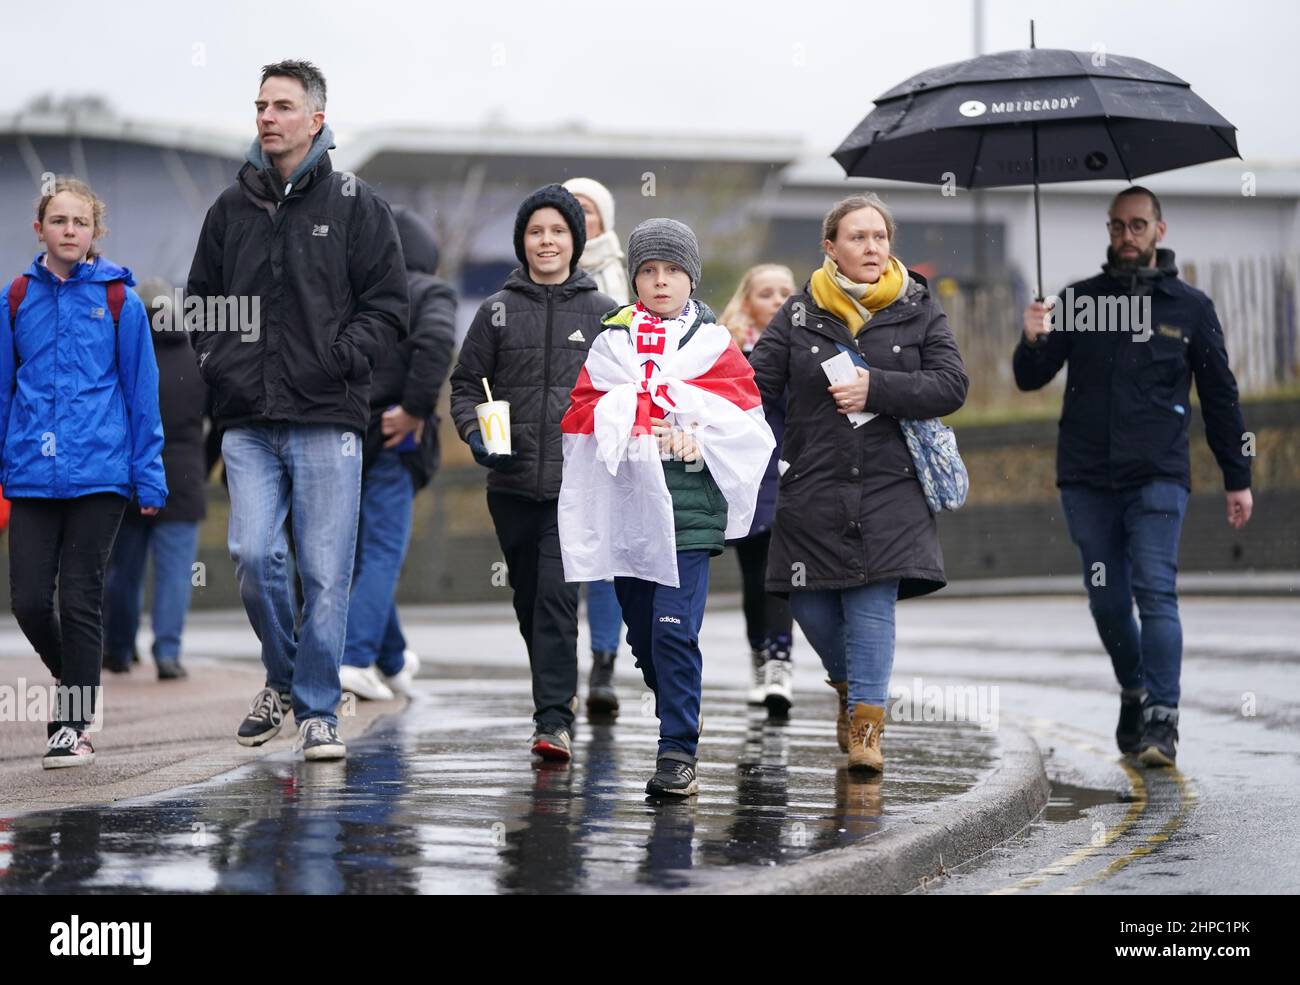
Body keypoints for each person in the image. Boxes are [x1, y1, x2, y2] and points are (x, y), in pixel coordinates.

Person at [185, 59, 408, 761]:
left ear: (316, 119)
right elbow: (199, 303)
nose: (266, 117)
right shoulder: (229, 209)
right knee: (254, 555)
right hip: (247, 419)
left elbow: (389, 307)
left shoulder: (355, 203)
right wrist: (222, 359)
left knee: (323, 570)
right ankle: (284, 678)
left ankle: (317, 711)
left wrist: (341, 355)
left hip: (327, 417)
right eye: (259, 105)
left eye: (281, 106)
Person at [1014, 185, 1253, 767]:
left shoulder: (1190, 307)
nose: (1126, 236)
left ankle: (1162, 723)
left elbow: (1220, 395)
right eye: (1118, 226)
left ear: (1159, 232)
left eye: (1137, 225)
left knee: (1156, 591)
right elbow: (1030, 377)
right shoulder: (1078, 300)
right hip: (1086, 478)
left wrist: (1236, 475)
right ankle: (1134, 687)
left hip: (1158, 476)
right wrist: (1031, 335)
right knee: (1107, 598)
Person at [749, 194, 969, 773]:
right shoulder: (797, 314)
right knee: (810, 604)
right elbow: (754, 388)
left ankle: (869, 728)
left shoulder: (919, 307)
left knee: (873, 601)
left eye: (880, 236)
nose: (872, 248)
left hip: (891, 482)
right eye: (858, 237)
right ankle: (849, 690)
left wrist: (879, 388)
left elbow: (951, 385)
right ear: (831, 248)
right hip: (812, 481)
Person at [559, 218, 775, 797]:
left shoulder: (714, 346)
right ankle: (678, 704)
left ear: (691, 278)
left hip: (689, 513)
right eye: (649, 271)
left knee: (674, 629)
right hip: (628, 512)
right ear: (634, 280)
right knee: (643, 635)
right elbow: (580, 417)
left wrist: (697, 433)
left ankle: (677, 749)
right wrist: (636, 419)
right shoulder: (611, 344)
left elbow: (747, 422)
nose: (660, 281)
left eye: (673, 270)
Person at [2, 177, 167, 768]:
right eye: (58, 221)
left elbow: (141, 394)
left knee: (80, 599)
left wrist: (149, 476)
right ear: (39, 229)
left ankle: (72, 723)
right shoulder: (15, 297)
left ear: (95, 232)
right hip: (29, 473)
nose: (69, 231)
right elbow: (2, 391)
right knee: (26, 601)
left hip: (101, 474)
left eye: (80, 222)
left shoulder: (120, 300)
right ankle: (78, 682)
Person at [449, 184, 614, 762]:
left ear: (576, 240)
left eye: (558, 231)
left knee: (555, 600)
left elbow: (623, 394)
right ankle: (553, 694)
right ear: (523, 241)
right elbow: (466, 385)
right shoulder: (497, 310)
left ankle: (553, 721)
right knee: (529, 598)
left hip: (576, 489)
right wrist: (475, 434)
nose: (547, 241)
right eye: (536, 231)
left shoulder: (600, 313)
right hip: (511, 484)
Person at [340, 207, 457, 701]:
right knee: (383, 551)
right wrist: (413, 407)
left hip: (346, 435)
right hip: (392, 440)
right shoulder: (430, 291)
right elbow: (436, 342)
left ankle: (390, 658)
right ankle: (354, 658)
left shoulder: (357, 293)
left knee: (363, 554)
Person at [103, 280, 208, 681]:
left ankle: (118, 648)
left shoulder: (124, 358)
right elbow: (214, 422)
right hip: (184, 480)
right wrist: (202, 460)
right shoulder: (198, 358)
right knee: (176, 575)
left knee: (123, 572)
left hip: (131, 479)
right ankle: (167, 653)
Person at [563, 177, 629, 716]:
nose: (581, 221)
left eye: (590, 210)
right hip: (558, 429)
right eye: (572, 210)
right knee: (566, 552)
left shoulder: (628, 276)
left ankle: (604, 661)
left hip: (611, 425)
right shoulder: (541, 276)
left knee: (606, 553)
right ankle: (558, 670)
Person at [719, 264, 797, 713]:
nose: (778, 301)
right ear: (747, 302)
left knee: (780, 574)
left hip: (791, 475)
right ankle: (759, 655)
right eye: (767, 294)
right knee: (755, 577)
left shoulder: (808, 345)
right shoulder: (728, 351)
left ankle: (780, 662)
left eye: (786, 292)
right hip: (746, 479)